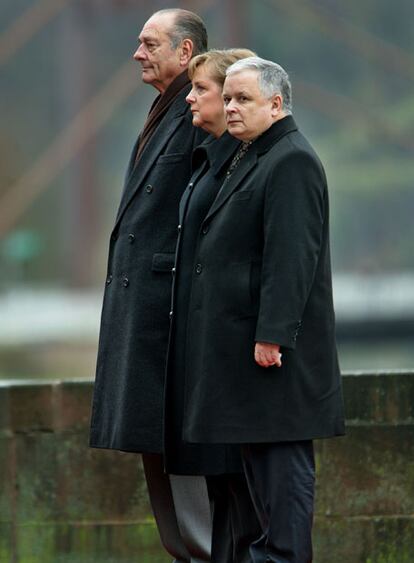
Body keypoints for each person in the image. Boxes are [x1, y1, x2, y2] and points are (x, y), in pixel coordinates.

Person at [178, 56, 346, 562]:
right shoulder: (255, 154)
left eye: (242, 99)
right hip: (249, 360)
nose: (230, 108)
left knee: (281, 491)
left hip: (272, 363)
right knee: (262, 492)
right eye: (226, 98)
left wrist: (272, 335)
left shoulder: (290, 159)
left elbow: (292, 257)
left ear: (276, 104)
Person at [89, 9, 215, 563]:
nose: (138, 54)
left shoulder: (199, 109)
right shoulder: (166, 109)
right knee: (157, 457)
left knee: (184, 464)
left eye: (150, 44)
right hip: (145, 317)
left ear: (185, 54)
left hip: (169, 321)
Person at [165, 49, 262, 563]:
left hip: (228, 351)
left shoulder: (243, 167)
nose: (192, 97)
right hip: (200, 347)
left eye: (202, 88)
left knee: (239, 493)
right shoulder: (208, 158)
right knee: (219, 491)